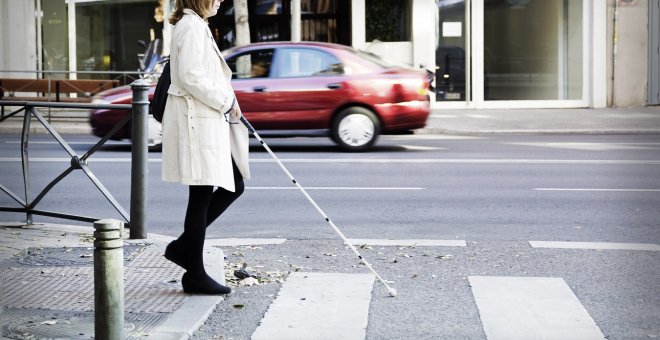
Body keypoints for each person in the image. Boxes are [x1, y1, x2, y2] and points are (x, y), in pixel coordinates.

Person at [161, 0, 250, 295]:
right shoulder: (190, 26)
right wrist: (226, 101)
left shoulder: (195, 25)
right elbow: (191, 77)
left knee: (229, 185)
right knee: (203, 193)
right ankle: (194, 271)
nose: (221, 0)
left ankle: (185, 249)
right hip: (195, 120)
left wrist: (229, 100)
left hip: (202, 119)